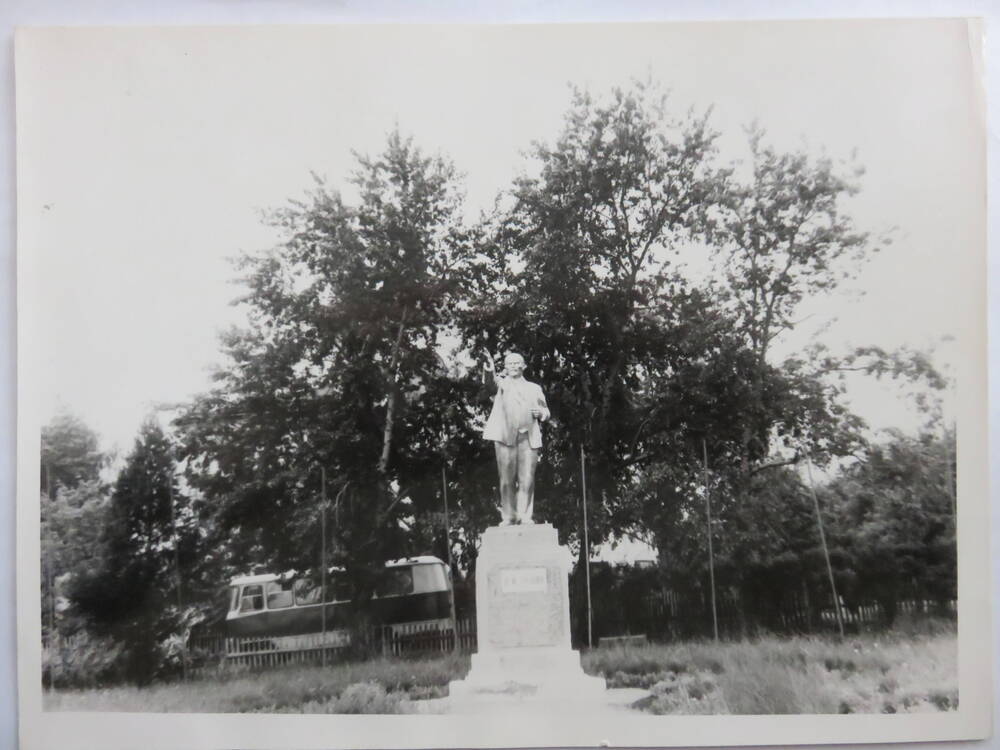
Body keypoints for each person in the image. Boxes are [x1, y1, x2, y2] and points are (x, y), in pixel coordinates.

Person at [481, 351, 550, 525]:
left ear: (523, 366)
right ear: (505, 367)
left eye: (516, 363)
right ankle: (509, 516)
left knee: (527, 479)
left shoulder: (534, 388)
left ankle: (524, 515)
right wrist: (489, 369)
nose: (512, 366)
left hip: (528, 437)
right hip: (505, 438)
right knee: (506, 479)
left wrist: (541, 413)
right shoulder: (502, 384)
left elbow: (546, 411)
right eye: (509, 364)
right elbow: (490, 383)